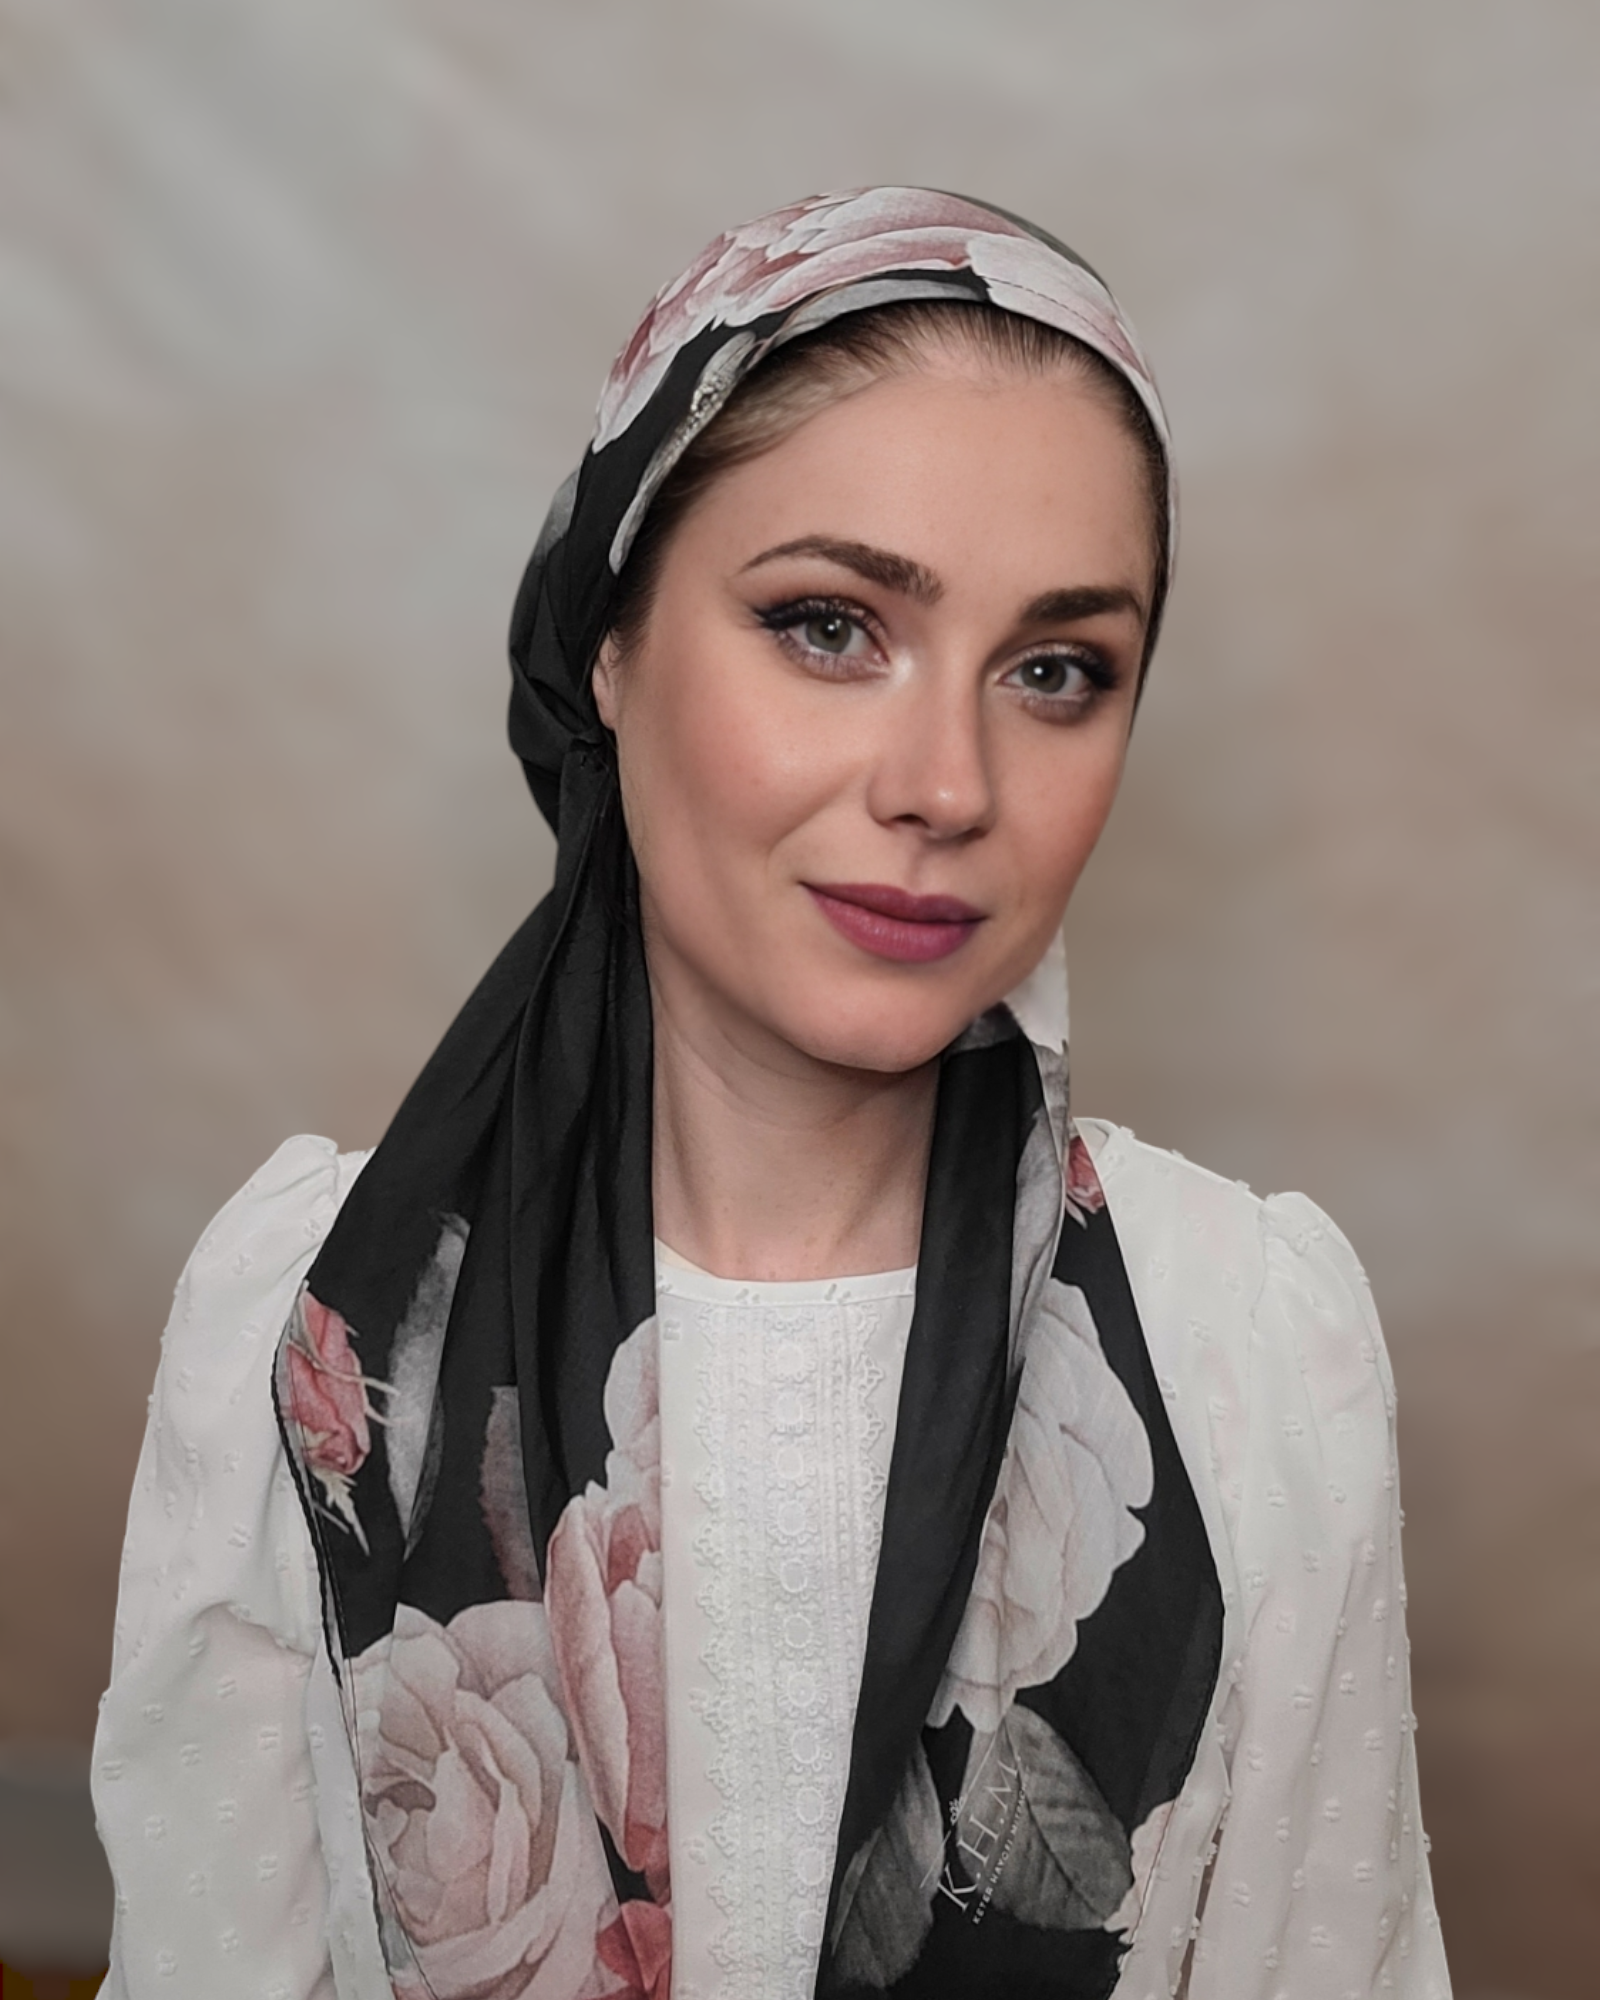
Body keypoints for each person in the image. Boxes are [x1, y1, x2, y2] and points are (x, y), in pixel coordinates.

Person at [91, 188, 1451, 2000]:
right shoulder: (314, 1325)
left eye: (1056, 671)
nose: (947, 783)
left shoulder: (1250, 1351)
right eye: (829, 626)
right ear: (612, 640)